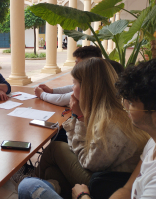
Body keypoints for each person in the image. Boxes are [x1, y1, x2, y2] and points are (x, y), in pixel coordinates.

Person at [19, 59, 156, 199]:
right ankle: (44, 183)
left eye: (74, 83)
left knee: (53, 151)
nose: (126, 104)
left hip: (106, 180)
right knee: (52, 173)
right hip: (110, 178)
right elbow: (127, 189)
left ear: (88, 88)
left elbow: (87, 162)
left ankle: (34, 181)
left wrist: (78, 117)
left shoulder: (112, 123)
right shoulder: (151, 143)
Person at [34, 46, 102, 107]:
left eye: (77, 63)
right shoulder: (95, 77)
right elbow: (72, 87)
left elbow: (62, 99)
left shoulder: (93, 84)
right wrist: (52, 91)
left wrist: (41, 94)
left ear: (88, 64)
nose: (75, 66)